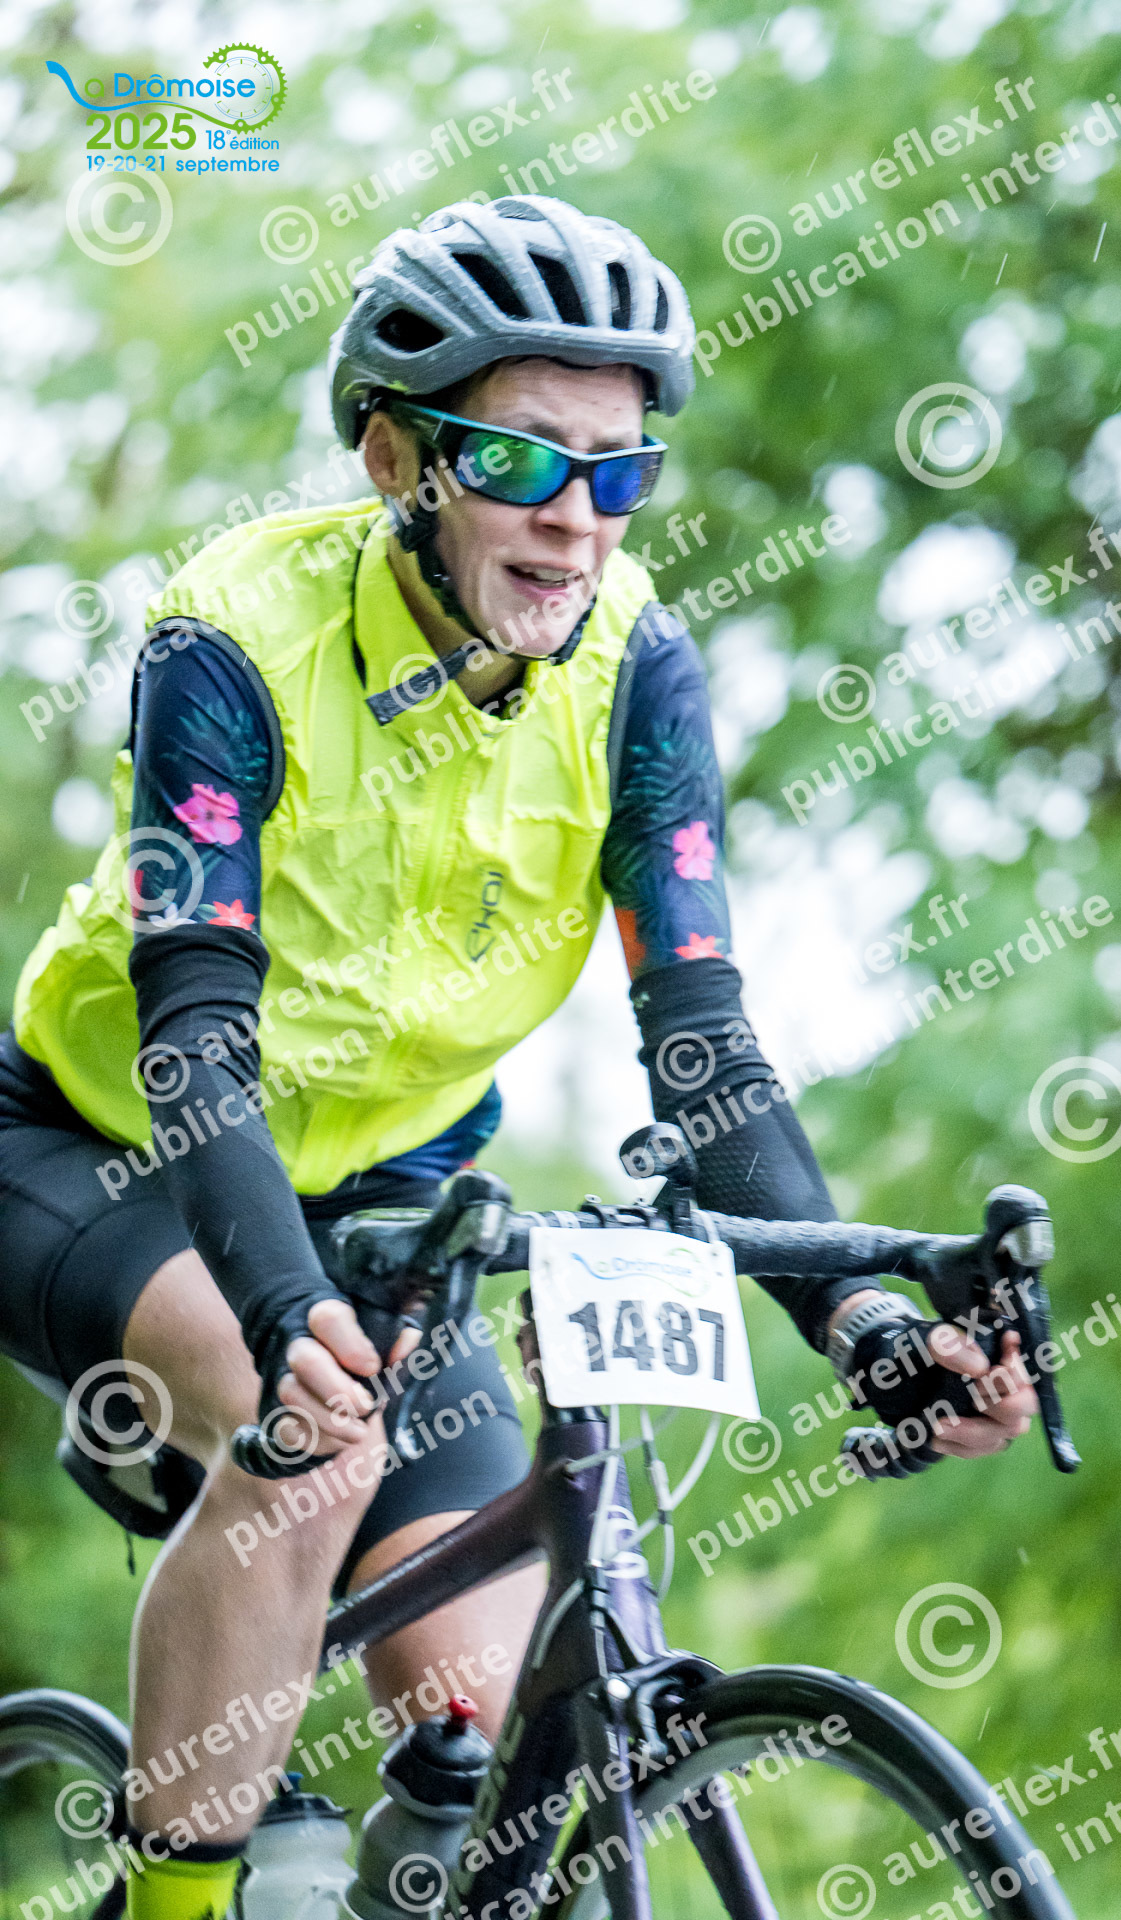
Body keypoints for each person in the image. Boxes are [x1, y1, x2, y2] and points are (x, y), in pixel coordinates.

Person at [0, 195, 1035, 1919]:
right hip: (105, 1150)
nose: (575, 520)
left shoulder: (637, 673)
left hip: (393, 1196)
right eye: (519, 461)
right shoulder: (230, 637)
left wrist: (859, 1312)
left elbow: (699, 1037)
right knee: (309, 1447)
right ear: (396, 455)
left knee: (486, 1733)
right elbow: (197, 1025)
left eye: (619, 474)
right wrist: (281, 1314)